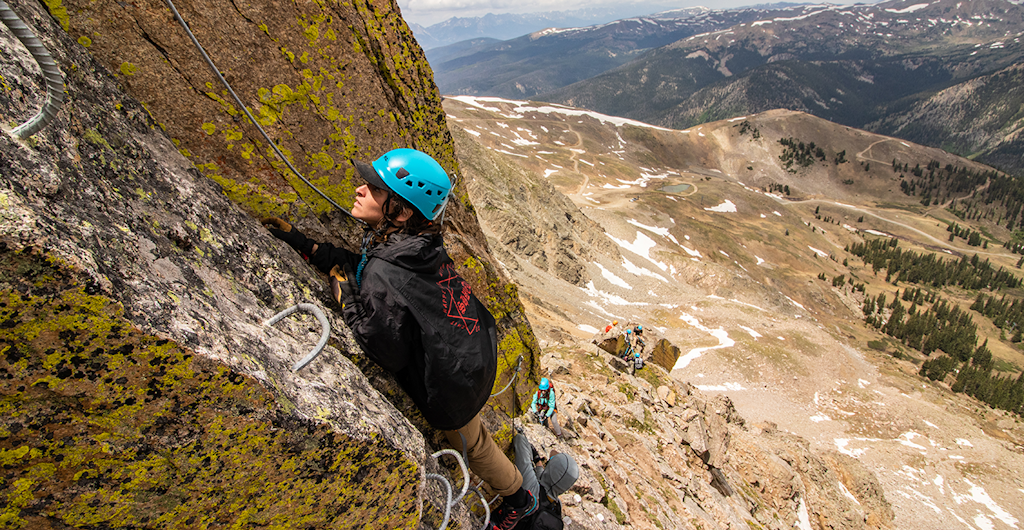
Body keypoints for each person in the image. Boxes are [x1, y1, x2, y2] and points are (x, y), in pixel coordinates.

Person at [262, 148, 536, 530]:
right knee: (478, 438)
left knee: (472, 446)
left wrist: (348, 300)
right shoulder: (417, 246)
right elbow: (372, 271)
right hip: (475, 355)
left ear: (402, 211)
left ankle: (519, 498)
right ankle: (519, 493)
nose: (360, 189)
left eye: (374, 187)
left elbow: (382, 345)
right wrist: (313, 249)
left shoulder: (389, 266)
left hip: (454, 386)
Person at [512, 432, 579, 530]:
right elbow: (545, 484)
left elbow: (519, 440)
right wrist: (538, 464)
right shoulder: (557, 506)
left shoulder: (532, 490)